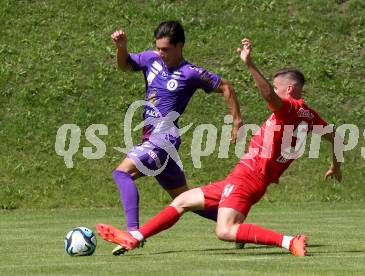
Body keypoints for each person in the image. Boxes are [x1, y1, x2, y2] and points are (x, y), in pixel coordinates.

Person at [97, 38, 342, 257]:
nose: (276, 91)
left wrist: (250, 64)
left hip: (249, 177)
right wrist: (335, 164)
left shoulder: (288, 108)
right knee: (182, 200)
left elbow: (268, 95)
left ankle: (290, 242)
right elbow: (335, 136)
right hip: (244, 177)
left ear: (289, 90)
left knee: (225, 230)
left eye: (279, 87)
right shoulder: (308, 115)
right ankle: (134, 238)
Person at [109, 21, 242, 255]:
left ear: (180, 46)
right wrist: (122, 47)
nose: (161, 53)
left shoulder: (190, 73)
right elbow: (124, 65)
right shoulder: (151, 60)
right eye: (158, 48)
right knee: (184, 199)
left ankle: (132, 234)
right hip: (153, 138)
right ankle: (236, 225)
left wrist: (236, 121)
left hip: (163, 139)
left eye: (166, 49)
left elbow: (226, 86)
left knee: (122, 173)